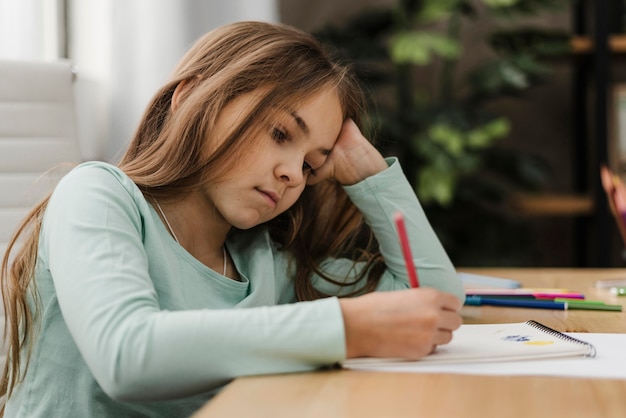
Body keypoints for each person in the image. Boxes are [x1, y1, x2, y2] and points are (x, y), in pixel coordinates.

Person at [0, 21, 464, 417]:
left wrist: (366, 170)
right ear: (191, 97)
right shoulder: (98, 195)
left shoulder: (266, 264)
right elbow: (127, 355)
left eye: (310, 164)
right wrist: (348, 327)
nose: (291, 174)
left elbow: (434, 301)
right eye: (280, 132)